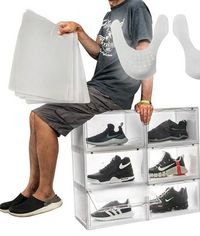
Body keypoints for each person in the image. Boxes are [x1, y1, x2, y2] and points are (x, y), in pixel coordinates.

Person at [0, 0, 153, 217]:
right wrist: (79, 30)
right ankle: (31, 188)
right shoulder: (110, 14)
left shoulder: (136, 7)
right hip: (96, 87)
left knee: (44, 117)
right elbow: (99, 52)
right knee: (35, 116)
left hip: (112, 94)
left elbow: (145, 54)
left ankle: (46, 194)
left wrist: (146, 99)